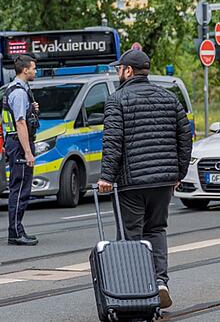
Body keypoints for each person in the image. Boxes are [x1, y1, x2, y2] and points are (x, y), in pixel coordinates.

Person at [97, 49, 192, 310]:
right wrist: (179, 173)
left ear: (128, 70)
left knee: (131, 236)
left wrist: (106, 177)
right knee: (157, 230)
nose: (118, 73)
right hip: (163, 181)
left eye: (119, 69)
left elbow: (113, 141)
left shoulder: (116, 100)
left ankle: (138, 289)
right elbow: (185, 137)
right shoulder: (169, 98)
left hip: (132, 183)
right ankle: (160, 282)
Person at [2, 54, 40, 246]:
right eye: (33, 68)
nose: (35, 71)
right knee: (20, 189)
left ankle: (17, 229)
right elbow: (20, 123)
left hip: (14, 143)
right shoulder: (18, 93)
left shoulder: (16, 89)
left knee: (21, 187)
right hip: (19, 144)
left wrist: (32, 109)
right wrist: (28, 152)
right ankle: (15, 232)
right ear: (25, 70)